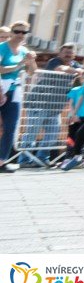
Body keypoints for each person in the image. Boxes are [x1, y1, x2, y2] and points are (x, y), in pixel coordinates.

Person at [0, 22, 30, 172]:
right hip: (1, 87)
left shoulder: (24, 50)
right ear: (12, 32)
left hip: (14, 91)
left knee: (10, 127)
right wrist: (18, 66)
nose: (20, 35)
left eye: (24, 32)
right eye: (17, 31)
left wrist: (31, 61)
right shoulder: (2, 47)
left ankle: (1, 161)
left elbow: (31, 71)